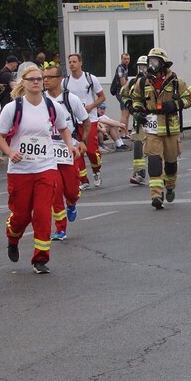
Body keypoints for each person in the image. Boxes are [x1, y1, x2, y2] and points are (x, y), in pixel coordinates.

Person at [0, 65, 79, 274]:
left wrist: (70, 145)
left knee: (42, 214)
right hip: (20, 170)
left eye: (39, 79)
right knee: (21, 216)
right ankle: (12, 237)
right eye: (32, 79)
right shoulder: (13, 108)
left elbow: (64, 128)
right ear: (23, 82)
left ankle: (40, 258)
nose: (36, 82)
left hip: (46, 167)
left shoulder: (51, 106)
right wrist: (9, 152)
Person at [129, 47, 191, 209]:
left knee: (171, 163)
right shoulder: (143, 82)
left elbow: (190, 97)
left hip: (170, 129)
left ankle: (170, 186)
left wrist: (175, 104)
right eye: (150, 61)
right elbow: (135, 98)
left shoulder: (175, 82)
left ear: (163, 64)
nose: (151, 65)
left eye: (155, 62)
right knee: (154, 161)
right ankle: (156, 195)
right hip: (151, 129)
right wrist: (137, 113)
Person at [44, 65, 89, 242]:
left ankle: (72, 202)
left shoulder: (71, 99)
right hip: (49, 152)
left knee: (71, 190)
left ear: (60, 79)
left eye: (49, 77)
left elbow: (86, 121)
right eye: (43, 77)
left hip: (69, 149)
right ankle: (60, 229)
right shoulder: (41, 100)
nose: (45, 80)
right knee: (55, 191)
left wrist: (83, 141)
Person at [63, 53, 106, 189]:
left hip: (89, 119)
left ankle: (96, 171)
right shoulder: (65, 82)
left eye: (74, 62)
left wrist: (91, 106)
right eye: (70, 62)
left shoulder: (90, 78)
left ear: (80, 63)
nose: (72, 64)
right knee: (77, 150)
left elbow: (102, 97)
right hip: (73, 121)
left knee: (92, 150)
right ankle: (83, 180)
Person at [122, 56, 148, 185]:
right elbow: (124, 95)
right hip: (138, 120)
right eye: (140, 67)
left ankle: (163, 172)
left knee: (157, 147)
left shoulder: (154, 81)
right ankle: (139, 173)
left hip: (154, 118)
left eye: (144, 67)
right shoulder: (133, 83)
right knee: (138, 145)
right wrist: (132, 110)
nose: (142, 70)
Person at [111, 52, 132, 147]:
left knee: (127, 112)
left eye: (128, 59)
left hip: (124, 92)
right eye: (125, 59)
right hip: (121, 92)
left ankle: (126, 132)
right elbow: (123, 82)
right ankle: (123, 133)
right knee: (124, 112)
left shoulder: (126, 68)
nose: (126, 60)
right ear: (121, 59)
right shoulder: (121, 68)